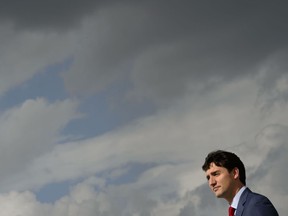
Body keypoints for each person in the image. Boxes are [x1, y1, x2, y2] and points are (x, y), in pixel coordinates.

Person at [202, 150, 278, 216]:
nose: (211, 182)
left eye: (216, 174)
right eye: (208, 178)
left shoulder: (257, 204)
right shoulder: (238, 209)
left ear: (235, 173)